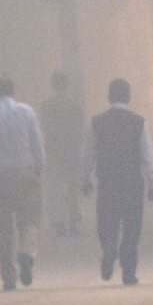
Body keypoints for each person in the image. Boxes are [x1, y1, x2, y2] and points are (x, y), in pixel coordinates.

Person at [82, 79, 153, 286]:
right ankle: (128, 271)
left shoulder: (96, 123)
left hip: (107, 182)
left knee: (107, 222)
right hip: (132, 182)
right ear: (128, 97)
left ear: (109, 97)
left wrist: (85, 179)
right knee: (132, 227)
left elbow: (88, 154)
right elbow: (147, 156)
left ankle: (109, 247)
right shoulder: (139, 122)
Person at [0, 77, 46, 290]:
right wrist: (39, 168)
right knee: (30, 219)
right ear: (13, 90)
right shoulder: (26, 111)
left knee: (1, 227)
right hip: (24, 173)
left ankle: (8, 275)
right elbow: (36, 143)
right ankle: (26, 253)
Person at [39, 72, 85, 236]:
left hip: (54, 151)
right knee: (73, 188)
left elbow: (44, 128)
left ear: (53, 85)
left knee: (55, 187)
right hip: (72, 151)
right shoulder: (75, 105)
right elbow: (80, 129)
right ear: (67, 85)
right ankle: (74, 220)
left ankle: (58, 221)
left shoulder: (46, 106)